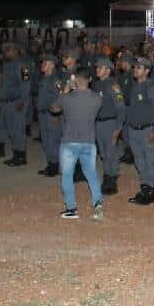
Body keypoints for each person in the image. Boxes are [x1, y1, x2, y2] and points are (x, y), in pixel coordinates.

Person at [49, 68, 104, 220]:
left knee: (67, 175)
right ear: (90, 80)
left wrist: (66, 90)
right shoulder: (97, 99)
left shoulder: (67, 98)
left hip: (69, 142)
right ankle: (98, 203)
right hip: (88, 141)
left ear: (75, 81)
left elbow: (53, 108)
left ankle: (71, 209)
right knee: (91, 174)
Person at [124, 57, 154, 206]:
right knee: (139, 161)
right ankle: (145, 187)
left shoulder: (152, 88)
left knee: (151, 160)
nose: (135, 69)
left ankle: (151, 191)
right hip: (134, 130)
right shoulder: (134, 86)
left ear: (147, 71)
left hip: (147, 130)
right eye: (135, 67)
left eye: (139, 68)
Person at [92, 57, 125, 194]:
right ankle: (107, 176)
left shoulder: (113, 86)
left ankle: (112, 179)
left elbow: (121, 108)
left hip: (110, 122)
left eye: (100, 68)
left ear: (107, 70)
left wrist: (118, 127)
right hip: (99, 122)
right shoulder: (96, 84)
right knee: (104, 152)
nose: (97, 70)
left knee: (111, 152)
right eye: (97, 67)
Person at [0, 42, 30, 165]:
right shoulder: (7, 65)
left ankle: (21, 157)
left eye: (8, 50)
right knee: (11, 131)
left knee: (18, 130)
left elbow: (26, 84)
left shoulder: (23, 66)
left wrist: (22, 101)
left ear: (16, 51)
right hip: (7, 102)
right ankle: (16, 154)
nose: (6, 52)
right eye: (5, 50)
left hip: (17, 103)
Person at [36, 54, 65, 177]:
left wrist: (56, 116)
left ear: (52, 65)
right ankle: (51, 164)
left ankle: (55, 166)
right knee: (46, 141)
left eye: (46, 62)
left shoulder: (55, 80)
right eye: (42, 62)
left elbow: (60, 98)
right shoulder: (44, 78)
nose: (42, 64)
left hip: (52, 115)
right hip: (43, 114)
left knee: (53, 141)